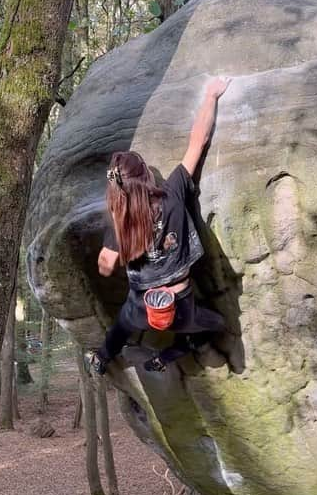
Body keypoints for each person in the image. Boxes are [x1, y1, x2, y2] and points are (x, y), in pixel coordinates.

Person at [86, 76, 231, 376]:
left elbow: (105, 266)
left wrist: (114, 234)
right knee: (214, 325)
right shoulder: (174, 191)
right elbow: (199, 141)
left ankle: (101, 359)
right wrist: (211, 95)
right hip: (180, 305)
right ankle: (167, 357)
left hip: (140, 307)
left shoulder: (118, 223)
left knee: (123, 326)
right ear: (145, 178)